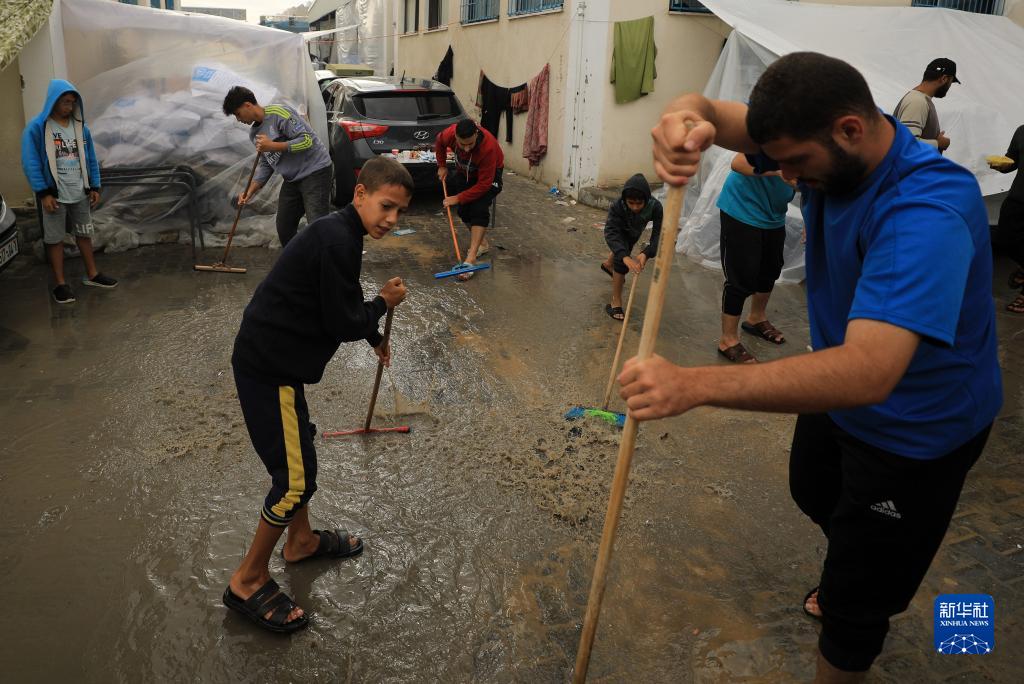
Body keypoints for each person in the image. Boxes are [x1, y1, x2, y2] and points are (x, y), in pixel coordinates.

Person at [629, 52, 1001, 681]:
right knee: (813, 488)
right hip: (839, 397)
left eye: (796, 165)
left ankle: (909, 612)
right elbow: (716, 113)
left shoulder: (924, 211)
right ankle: (875, 562)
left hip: (916, 432)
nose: (786, 177)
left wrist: (693, 384)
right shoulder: (829, 133)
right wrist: (684, 119)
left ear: (849, 131)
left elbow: (867, 373)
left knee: (856, 608)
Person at [224, 157, 412, 634]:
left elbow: (338, 302)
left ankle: (301, 542)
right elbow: (343, 320)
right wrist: (381, 305)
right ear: (360, 194)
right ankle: (247, 580)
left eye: (399, 212)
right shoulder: (337, 240)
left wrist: (374, 334)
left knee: (300, 454)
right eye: (386, 206)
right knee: (293, 481)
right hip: (269, 368)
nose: (392, 219)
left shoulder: (341, 234)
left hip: (279, 363)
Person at [21, 79, 118, 304]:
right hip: (54, 195)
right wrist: (43, 192)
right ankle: (60, 284)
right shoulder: (37, 128)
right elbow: (30, 162)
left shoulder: (80, 128)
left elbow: (91, 158)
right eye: (65, 102)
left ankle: (92, 274)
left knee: (84, 233)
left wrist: (94, 185)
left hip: (79, 191)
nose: (69, 106)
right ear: (53, 101)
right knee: (55, 238)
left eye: (72, 102)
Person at [222, 86, 332, 247]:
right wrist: (250, 190)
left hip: (315, 172)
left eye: (238, 114)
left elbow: (307, 140)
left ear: (247, 105)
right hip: (292, 179)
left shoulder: (280, 114)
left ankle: (325, 260)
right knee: (284, 227)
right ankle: (297, 259)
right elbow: (267, 163)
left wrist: (273, 145)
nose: (238, 119)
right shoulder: (255, 134)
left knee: (317, 225)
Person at [715, 154, 796, 362]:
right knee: (740, 277)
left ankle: (756, 318)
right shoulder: (777, 139)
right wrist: (778, 172)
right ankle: (728, 340)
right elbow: (738, 162)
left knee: (771, 269)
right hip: (742, 209)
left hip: (774, 214)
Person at [435, 118, 504, 281]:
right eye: (462, 144)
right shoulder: (449, 133)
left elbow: (484, 185)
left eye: (470, 144)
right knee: (464, 211)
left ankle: (471, 258)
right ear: (456, 136)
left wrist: (458, 197)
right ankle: (482, 244)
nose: (466, 148)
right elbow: (439, 142)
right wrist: (442, 165)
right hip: (465, 171)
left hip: (489, 176)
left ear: (476, 134)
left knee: (479, 208)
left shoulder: (488, 147)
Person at [599, 174, 662, 320]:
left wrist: (647, 253)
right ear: (625, 200)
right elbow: (611, 232)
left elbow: (659, 235)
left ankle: (608, 265)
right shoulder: (618, 206)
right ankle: (615, 302)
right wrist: (625, 257)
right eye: (631, 203)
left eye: (639, 203)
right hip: (620, 230)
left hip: (634, 232)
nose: (635, 207)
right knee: (621, 259)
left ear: (647, 199)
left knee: (626, 245)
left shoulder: (655, 207)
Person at [988, 124, 1024, 313]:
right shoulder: (1021, 131)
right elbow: (1012, 161)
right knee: (1004, 238)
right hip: (1017, 197)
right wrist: (1002, 166)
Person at [892, 58, 960, 154]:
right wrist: (939, 143)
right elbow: (907, 145)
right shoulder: (917, 101)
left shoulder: (919, 99)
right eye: (951, 82)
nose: (949, 87)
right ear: (944, 79)